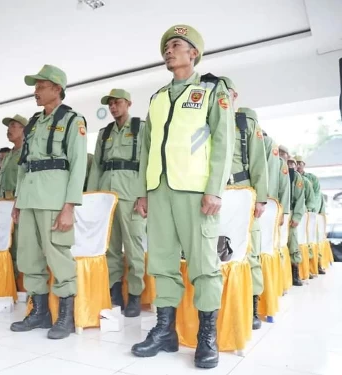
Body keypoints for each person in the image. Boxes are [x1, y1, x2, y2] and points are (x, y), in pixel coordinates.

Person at [131, 25, 235, 369]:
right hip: (159, 191)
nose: (168, 51)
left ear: (194, 53)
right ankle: (165, 331)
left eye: (176, 45)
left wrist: (214, 189)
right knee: (160, 263)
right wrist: (144, 192)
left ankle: (207, 337)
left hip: (195, 191)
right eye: (166, 47)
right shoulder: (158, 97)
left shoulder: (211, 89)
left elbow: (223, 141)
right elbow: (146, 148)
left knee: (204, 266)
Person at [10, 64, 87, 340]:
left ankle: (66, 315)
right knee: (29, 255)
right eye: (35, 87)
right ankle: (40, 312)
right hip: (29, 197)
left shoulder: (72, 120)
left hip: (55, 197)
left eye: (40, 87)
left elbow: (78, 166)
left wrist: (69, 206)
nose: (35, 92)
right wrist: (18, 200)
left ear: (57, 89)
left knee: (57, 254)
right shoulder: (33, 122)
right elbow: (23, 164)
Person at [86, 88, 147, 318]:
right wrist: (92, 198)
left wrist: (144, 195)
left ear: (128, 103)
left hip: (131, 192)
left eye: (117, 103)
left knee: (133, 247)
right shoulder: (104, 133)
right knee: (110, 246)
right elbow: (97, 168)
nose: (113, 107)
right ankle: (114, 292)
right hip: (105, 193)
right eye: (110, 104)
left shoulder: (141, 128)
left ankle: (134, 294)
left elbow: (147, 165)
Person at [219, 77, 269, 330]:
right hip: (216, 195)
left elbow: (259, 163)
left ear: (234, 96)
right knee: (216, 252)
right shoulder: (207, 122)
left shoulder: (245, 122)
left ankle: (252, 304)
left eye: (225, 93)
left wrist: (260, 198)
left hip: (243, 194)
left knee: (250, 252)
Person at [0, 114, 28, 279]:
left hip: (19, 204)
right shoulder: (9, 154)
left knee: (19, 245)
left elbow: (25, 179)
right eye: (8, 127)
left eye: (13, 126)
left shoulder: (27, 151)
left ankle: (20, 286)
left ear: (23, 129)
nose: (9, 130)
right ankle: (8, 284)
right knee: (7, 245)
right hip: (3, 204)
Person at [279, 146, 305, 287]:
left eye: (286, 156)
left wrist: (297, 216)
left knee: (293, 243)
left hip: (291, 213)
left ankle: (295, 274)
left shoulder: (296, 177)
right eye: (280, 153)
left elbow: (300, 199)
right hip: (277, 212)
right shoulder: (275, 169)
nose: (283, 157)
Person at [295, 155, 326, 275]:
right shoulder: (291, 177)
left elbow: (316, 196)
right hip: (299, 215)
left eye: (300, 163)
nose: (298, 165)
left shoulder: (311, 178)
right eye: (296, 163)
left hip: (311, 214)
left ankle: (316, 265)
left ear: (304, 164)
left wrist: (311, 211)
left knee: (313, 240)